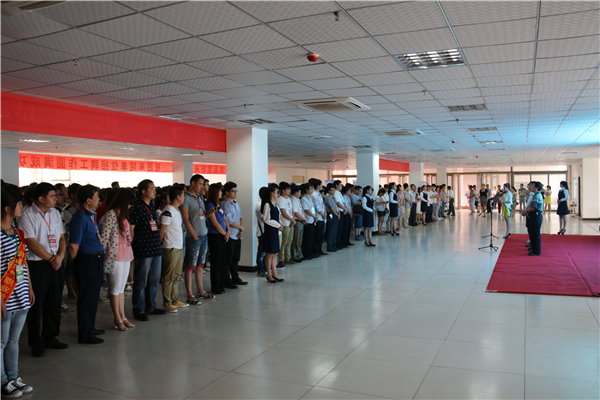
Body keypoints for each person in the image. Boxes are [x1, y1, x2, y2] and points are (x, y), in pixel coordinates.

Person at [17, 183, 68, 358]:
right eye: (52, 196)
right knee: (36, 304)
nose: (56, 198)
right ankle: (36, 342)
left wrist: (60, 257)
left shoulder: (55, 213)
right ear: (41, 198)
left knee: (54, 302)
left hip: (56, 262)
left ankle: (50, 336)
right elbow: (31, 243)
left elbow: (62, 237)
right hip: (37, 264)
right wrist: (51, 259)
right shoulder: (26, 215)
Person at [1, 189, 35, 398]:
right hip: (4, 295)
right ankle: (3, 381)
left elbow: (24, 262)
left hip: (21, 293)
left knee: (13, 341)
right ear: (7, 208)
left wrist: (29, 287)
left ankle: (13, 377)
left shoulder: (17, 232)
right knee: (1, 342)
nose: (21, 207)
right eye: (18, 204)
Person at [68, 185, 106, 344]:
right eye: (97, 197)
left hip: (95, 259)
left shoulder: (90, 215)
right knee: (87, 297)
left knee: (93, 296)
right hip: (86, 261)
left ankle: (90, 326)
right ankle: (85, 333)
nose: (99, 200)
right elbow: (73, 245)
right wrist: (74, 262)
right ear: (88, 200)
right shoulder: (80, 217)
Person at [99, 188, 136, 332]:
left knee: (121, 288)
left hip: (126, 254)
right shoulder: (110, 215)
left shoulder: (123, 216)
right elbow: (104, 237)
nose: (130, 207)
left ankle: (122, 316)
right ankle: (117, 318)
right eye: (129, 204)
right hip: (115, 256)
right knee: (115, 289)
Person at [130, 180, 166, 322]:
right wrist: (133, 247)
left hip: (155, 247)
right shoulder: (137, 207)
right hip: (143, 249)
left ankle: (150, 306)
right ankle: (138, 309)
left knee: (154, 279)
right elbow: (132, 229)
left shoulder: (152, 204)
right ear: (143, 191)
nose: (154, 191)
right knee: (141, 281)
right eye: (152, 188)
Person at [181, 175, 214, 305]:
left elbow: (202, 215)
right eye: (200, 184)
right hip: (194, 237)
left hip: (203, 235)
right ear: (193, 183)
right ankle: (189, 294)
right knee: (190, 266)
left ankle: (200, 290)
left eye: (203, 184)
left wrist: (209, 213)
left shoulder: (200, 197)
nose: (202, 187)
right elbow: (185, 219)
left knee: (200, 264)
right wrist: (193, 234)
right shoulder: (186, 198)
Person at [222, 181, 248, 287]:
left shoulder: (236, 203)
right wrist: (240, 227)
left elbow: (240, 217)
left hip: (237, 234)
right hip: (230, 234)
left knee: (236, 258)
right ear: (227, 192)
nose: (235, 193)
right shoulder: (225, 204)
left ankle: (235, 277)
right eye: (233, 191)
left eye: (236, 190)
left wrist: (241, 230)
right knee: (228, 259)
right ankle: (226, 280)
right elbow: (229, 221)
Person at [206, 184, 230, 294]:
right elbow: (214, 223)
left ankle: (221, 284)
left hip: (223, 235)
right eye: (220, 191)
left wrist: (228, 231)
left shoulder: (219, 205)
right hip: (215, 236)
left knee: (222, 261)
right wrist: (224, 233)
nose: (221, 193)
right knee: (216, 262)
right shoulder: (209, 205)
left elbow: (225, 219)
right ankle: (216, 287)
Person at [261, 186, 284, 283]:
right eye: (276, 192)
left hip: (275, 230)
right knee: (270, 253)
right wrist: (278, 225)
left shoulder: (275, 204)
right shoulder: (267, 204)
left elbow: (278, 216)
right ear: (271, 193)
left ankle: (274, 273)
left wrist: (280, 224)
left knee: (274, 253)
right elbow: (266, 219)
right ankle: (269, 274)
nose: (277, 194)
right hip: (270, 230)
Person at [277, 182, 295, 266]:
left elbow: (292, 210)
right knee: (284, 242)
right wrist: (292, 220)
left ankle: (288, 257)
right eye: (287, 189)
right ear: (282, 190)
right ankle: (281, 259)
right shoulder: (281, 199)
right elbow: (283, 212)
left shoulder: (288, 199)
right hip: (285, 223)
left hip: (291, 223)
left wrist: (293, 220)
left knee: (289, 241)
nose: (289, 191)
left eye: (289, 189)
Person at [524, 182, 544, 256]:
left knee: (535, 234)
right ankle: (533, 248)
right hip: (533, 215)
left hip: (536, 215)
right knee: (532, 233)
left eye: (533, 186)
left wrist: (526, 211)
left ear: (536, 188)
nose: (531, 187)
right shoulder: (535, 195)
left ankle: (536, 251)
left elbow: (533, 207)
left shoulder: (537, 196)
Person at [309, 179, 327, 256]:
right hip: (319, 217)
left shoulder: (319, 194)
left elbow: (322, 205)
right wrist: (322, 214)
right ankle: (316, 250)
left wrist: (325, 213)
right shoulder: (314, 194)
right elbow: (316, 206)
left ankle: (319, 250)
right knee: (317, 235)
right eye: (321, 185)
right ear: (318, 186)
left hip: (322, 216)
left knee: (320, 236)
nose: (321, 186)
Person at [300, 184, 317, 260]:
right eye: (310, 189)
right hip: (308, 220)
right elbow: (306, 210)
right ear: (306, 190)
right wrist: (314, 216)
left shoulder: (310, 198)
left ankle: (310, 252)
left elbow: (313, 208)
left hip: (312, 220)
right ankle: (306, 253)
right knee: (307, 238)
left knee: (311, 238)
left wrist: (315, 215)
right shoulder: (304, 199)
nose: (312, 190)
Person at [255, 187, 268, 277]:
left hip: (266, 231)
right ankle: (260, 269)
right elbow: (265, 219)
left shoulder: (265, 204)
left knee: (266, 252)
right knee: (261, 253)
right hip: (262, 232)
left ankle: (265, 268)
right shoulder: (260, 205)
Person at [290, 185, 306, 261]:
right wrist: (304, 218)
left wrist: (303, 218)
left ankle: (299, 254)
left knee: (299, 239)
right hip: (297, 221)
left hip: (301, 221)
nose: (300, 193)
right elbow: (296, 213)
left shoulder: (297, 200)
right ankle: (295, 255)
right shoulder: (293, 200)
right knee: (296, 240)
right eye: (299, 192)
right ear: (295, 192)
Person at [324, 184, 339, 252]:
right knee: (331, 231)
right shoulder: (328, 198)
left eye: (334, 190)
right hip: (331, 215)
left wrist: (338, 213)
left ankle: (334, 245)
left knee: (335, 231)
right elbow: (331, 208)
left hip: (335, 214)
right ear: (329, 191)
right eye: (332, 190)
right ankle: (330, 246)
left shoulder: (333, 197)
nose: (333, 191)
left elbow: (336, 206)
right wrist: (336, 214)